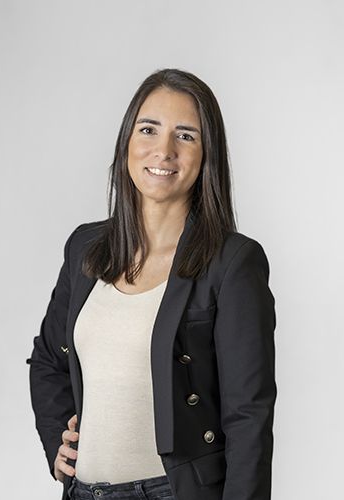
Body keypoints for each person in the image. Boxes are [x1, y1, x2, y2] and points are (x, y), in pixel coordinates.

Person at [26, 68, 277, 500]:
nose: (163, 151)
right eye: (149, 129)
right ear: (128, 141)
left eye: (185, 136)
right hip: (83, 493)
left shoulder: (232, 263)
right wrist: (57, 441)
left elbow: (249, 417)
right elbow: (49, 359)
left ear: (207, 155)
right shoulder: (86, 248)